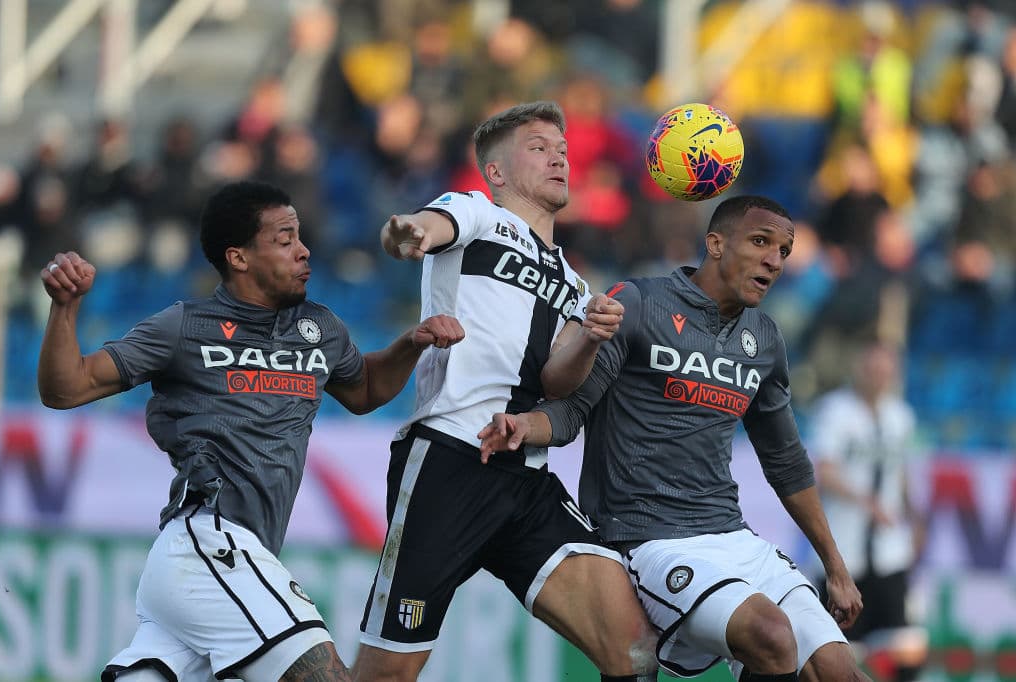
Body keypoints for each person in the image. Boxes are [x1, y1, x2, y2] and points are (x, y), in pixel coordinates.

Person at [36, 180, 464, 682]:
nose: (304, 250)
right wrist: (65, 307)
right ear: (238, 258)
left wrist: (411, 343)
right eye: (284, 239)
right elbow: (66, 388)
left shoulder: (319, 329)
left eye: (299, 236)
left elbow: (365, 389)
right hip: (208, 543)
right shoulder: (185, 327)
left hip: (221, 563)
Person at [479, 195, 871, 681]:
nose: (774, 260)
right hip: (651, 539)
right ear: (716, 244)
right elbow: (573, 409)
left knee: (838, 671)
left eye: (784, 251)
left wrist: (835, 567)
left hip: (732, 535)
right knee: (771, 635)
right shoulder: (640, 303)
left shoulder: (765, 339)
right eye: (760, 241)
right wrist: (525, 425)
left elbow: (786, 462)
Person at [356, 101, 658, 682]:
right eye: (539, 148)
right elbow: (424, 227)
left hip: (526, 475)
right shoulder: (476, 214)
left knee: (633, 646)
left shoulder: (576, 284)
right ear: (495, 172)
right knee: (388, 671)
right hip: (449, 459)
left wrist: (590, 337)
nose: (559, 158)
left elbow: (557, 382)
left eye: (562, 150)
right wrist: (406, 233)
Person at [811, 341, 927, 681]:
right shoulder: (835, 411)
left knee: (906, 648)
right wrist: (867, 502)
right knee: (840, 652)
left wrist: (914, 516)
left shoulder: (900, 416)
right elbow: (825, 472)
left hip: (889, 551)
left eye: (885, 371)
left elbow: (900, 472)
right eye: (873, 369)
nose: (878, 377)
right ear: (859, 369)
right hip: (843, 552)